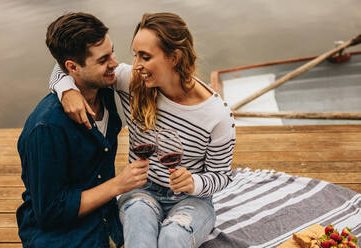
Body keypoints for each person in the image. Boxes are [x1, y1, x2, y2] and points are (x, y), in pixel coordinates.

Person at [49, 12, 236, 248]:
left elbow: (221, 176)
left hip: (192, 201)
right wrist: (67, 90)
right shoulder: (132, 80)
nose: (136, 65)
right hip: (141, 191)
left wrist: (194, 183)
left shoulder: (217, 115)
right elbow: (66, 67)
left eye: (145, 57)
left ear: (174, 58)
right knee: (138, 223)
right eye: (135, 55)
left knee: (172, 235)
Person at [16, 12, 149, 248]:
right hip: (60, 234)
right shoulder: (46, 128)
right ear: (72, 67)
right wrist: (118, 185)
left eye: (112, 52)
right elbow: (50, 212)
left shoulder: (104, 90)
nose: (114, 64)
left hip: (104, 215)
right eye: (103, 59)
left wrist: (66, 87)